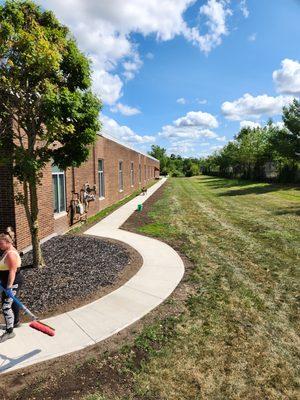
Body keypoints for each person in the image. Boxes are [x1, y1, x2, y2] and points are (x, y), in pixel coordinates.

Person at [0, 228, 23, 343]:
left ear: (8, 242)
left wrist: (9, 287)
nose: (0, 244)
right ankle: (15, 322)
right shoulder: (6, 251)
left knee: (6, 306)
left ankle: (10, 332)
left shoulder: (10, 254)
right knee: (11, 302)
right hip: (6, 282)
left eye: (1, 242)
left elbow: (12, 272)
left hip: (12, 283)